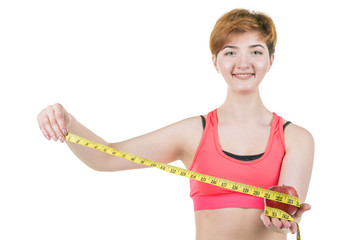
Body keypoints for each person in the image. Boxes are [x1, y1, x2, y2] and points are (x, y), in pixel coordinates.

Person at [37, 8, 314, 240]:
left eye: (255, 51)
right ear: (215, 62)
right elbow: (106, 158)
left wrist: (281, 215)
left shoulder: (297, 138)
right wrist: (68, 122)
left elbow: (286, 204)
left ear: (270, 60)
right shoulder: (193, 133)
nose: (243, 62)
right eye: (230, 52)